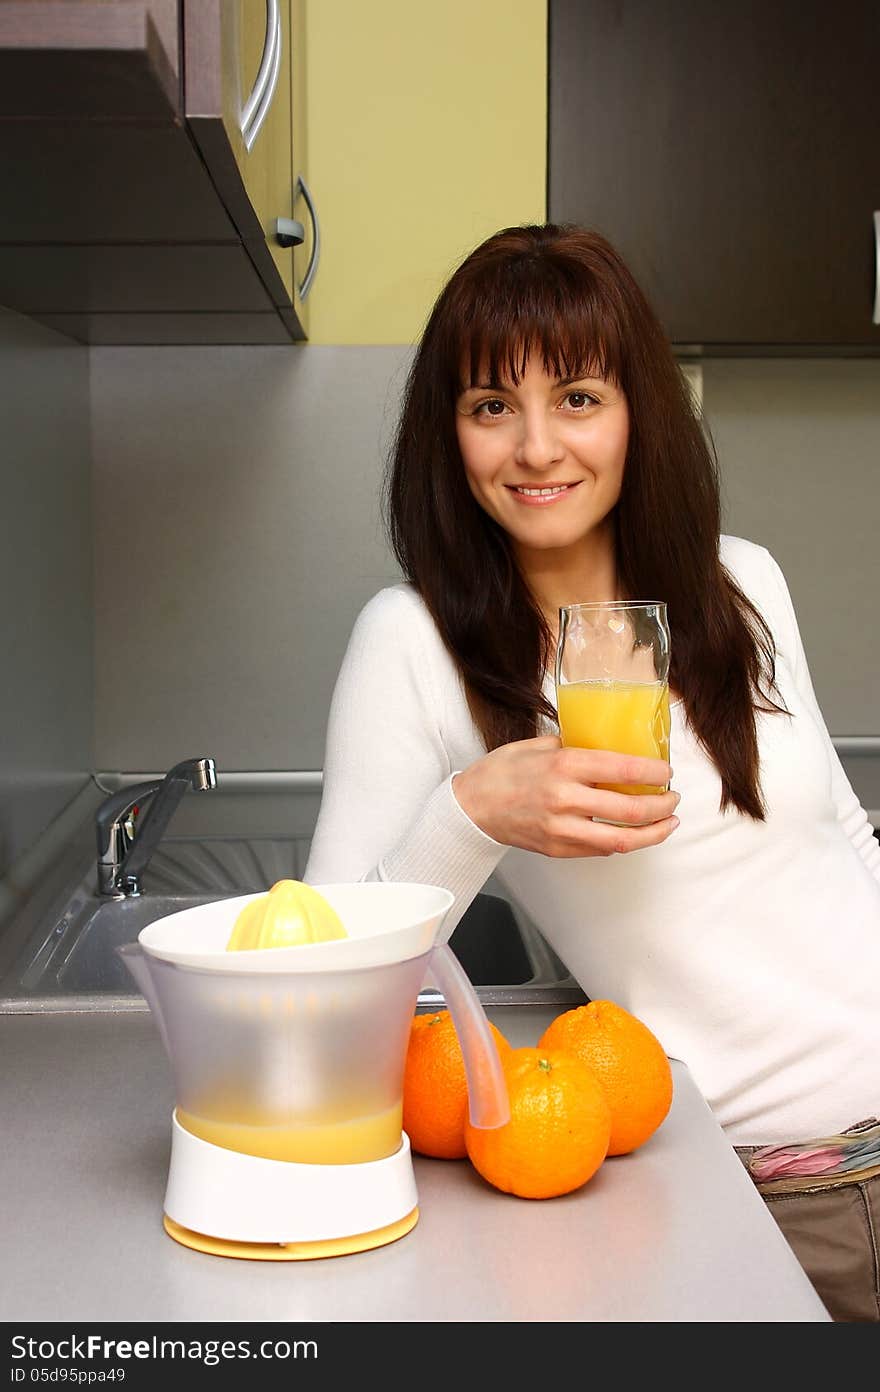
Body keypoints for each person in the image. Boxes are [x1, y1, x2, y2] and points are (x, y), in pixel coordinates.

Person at [304, 223, 880, 1322]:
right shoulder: (414, 644)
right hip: (768, 1202)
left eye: (576, 397)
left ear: (636, 413)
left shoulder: (740, 582)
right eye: (489, 407)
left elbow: (844, 838)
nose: (534, 448)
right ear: (450, 435)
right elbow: (324, 1006)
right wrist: (471, 814)